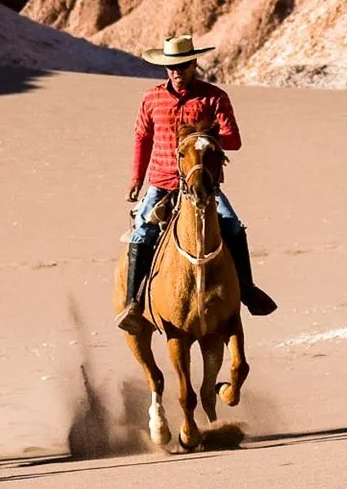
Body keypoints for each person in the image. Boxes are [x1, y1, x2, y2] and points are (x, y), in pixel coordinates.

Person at [115, 35, 277, 336]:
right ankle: (133, 305)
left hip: (204, 186)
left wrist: (206, 139)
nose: (177, 71)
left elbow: (234, 140)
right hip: (162, 181)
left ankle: (247, 289)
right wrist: (136, 178)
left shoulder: (214, 97)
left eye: (184, 65)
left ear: (194, 63)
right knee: (142, 233)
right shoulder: (151, 98)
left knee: (231, 226)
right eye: (171, 66)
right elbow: (142, 137)